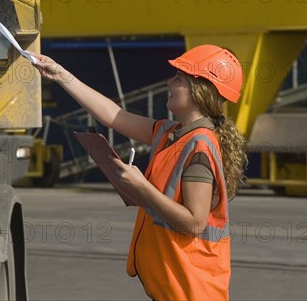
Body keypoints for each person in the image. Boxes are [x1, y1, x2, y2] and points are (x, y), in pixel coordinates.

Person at [31, 44, 247, 301]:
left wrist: (142, 186)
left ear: (200, 90)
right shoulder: (170, 134)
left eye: (178, 78)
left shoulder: (199, 147)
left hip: (192, 291)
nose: (169, 82)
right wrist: (61, 74)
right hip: (174, 288)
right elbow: (114, 115)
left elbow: (194, 222)